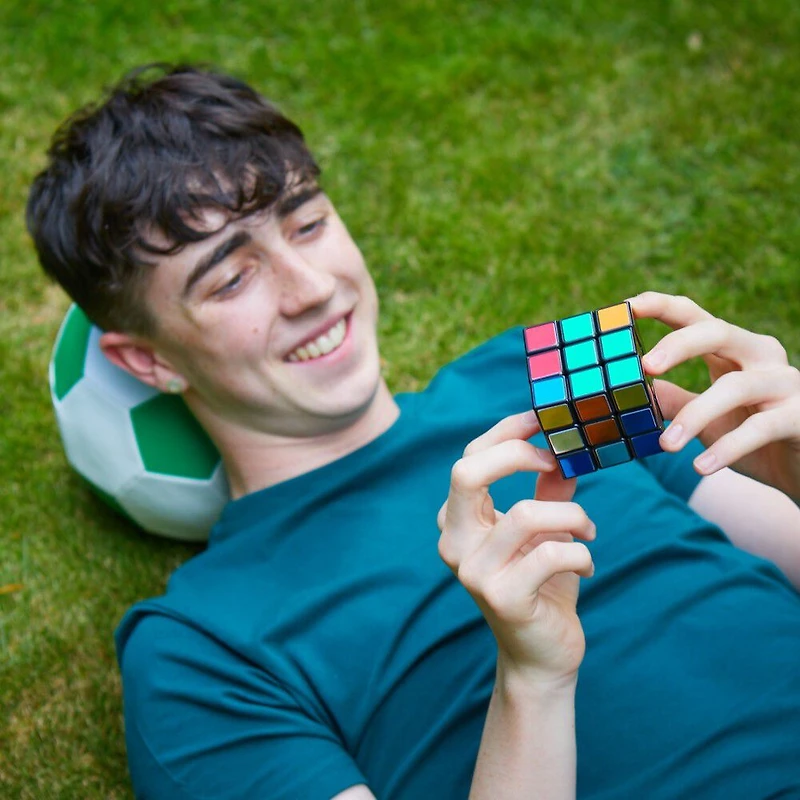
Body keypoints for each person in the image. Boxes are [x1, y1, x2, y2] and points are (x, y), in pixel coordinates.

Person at [26, 64, 800, 800]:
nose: (314, 288)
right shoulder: (199, 650)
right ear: (149, 362)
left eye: (307, 222)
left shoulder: (530, 378)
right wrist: (532, 681)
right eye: (231, 277)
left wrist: (795, 472)